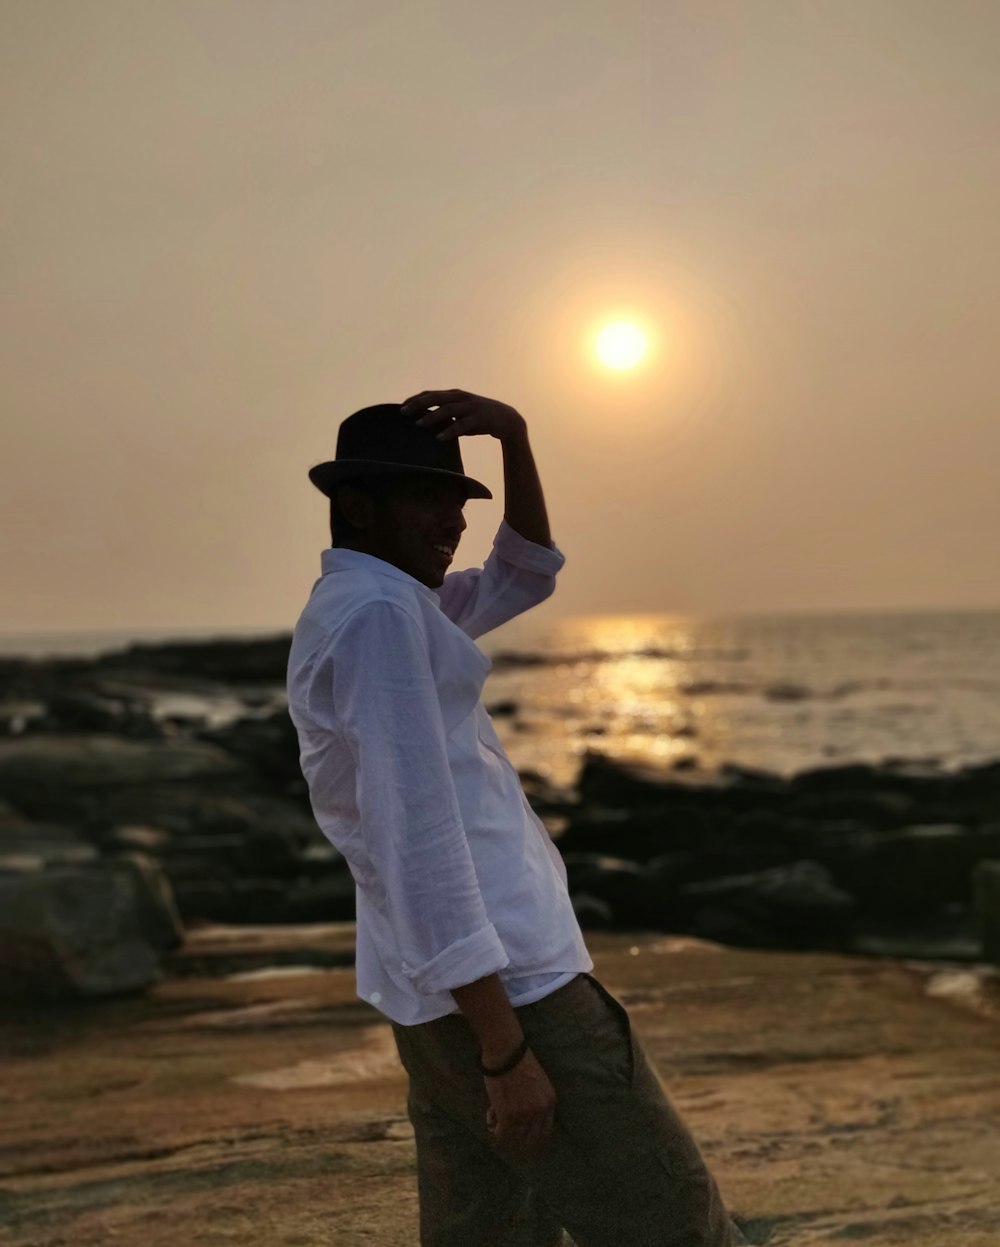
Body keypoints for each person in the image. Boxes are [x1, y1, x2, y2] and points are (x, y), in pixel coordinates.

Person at [286, 390, 749, 1246]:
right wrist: (506, 1053)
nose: (452, 520)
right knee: (681, 1225)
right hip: (516, 996)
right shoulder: (382, 618)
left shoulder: (392, 603)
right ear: (356, 506)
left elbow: (525, 569)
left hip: (437, 1000)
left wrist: (515, 437)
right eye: (429, 499)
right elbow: (417, 837)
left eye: (460, 502)